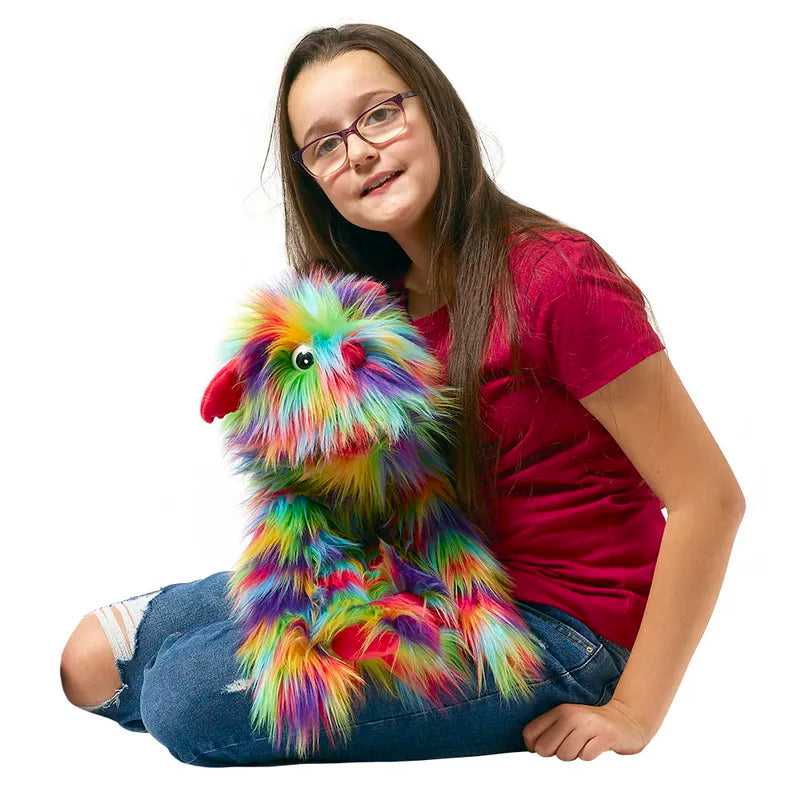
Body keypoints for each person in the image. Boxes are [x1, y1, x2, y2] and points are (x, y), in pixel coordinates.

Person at [60, 23, 746, 767]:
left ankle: (220, 681)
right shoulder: (375, 305)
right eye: (325, 144)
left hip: (562, 629)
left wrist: (635, 711)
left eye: (380, 114)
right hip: (424, 577)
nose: (357, 151)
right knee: (92, 658)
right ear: (312, 179)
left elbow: (710, 499)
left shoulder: (557, 280)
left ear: (436, 111)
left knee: (183, 696)